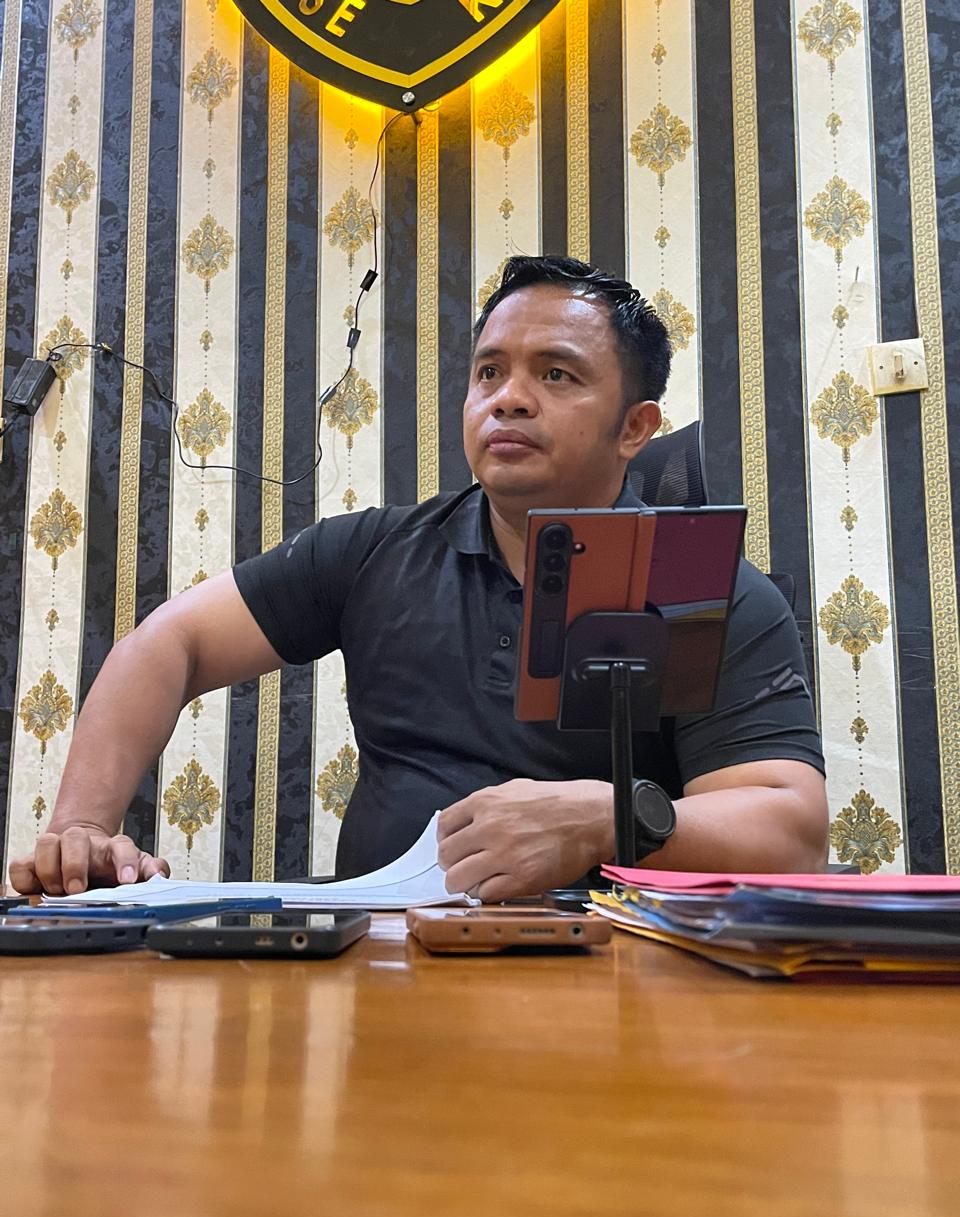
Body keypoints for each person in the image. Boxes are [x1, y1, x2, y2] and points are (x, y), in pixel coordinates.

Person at [10, 256, 828, 901]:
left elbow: (791, 833)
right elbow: (171, 641)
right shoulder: (376, 550)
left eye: (556, 375)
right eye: (489, 372)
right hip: (382, 966)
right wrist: (84, 829)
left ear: (635, 427)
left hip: (615, 982)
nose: (509, 399)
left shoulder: (700, 586)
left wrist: (608, 819)